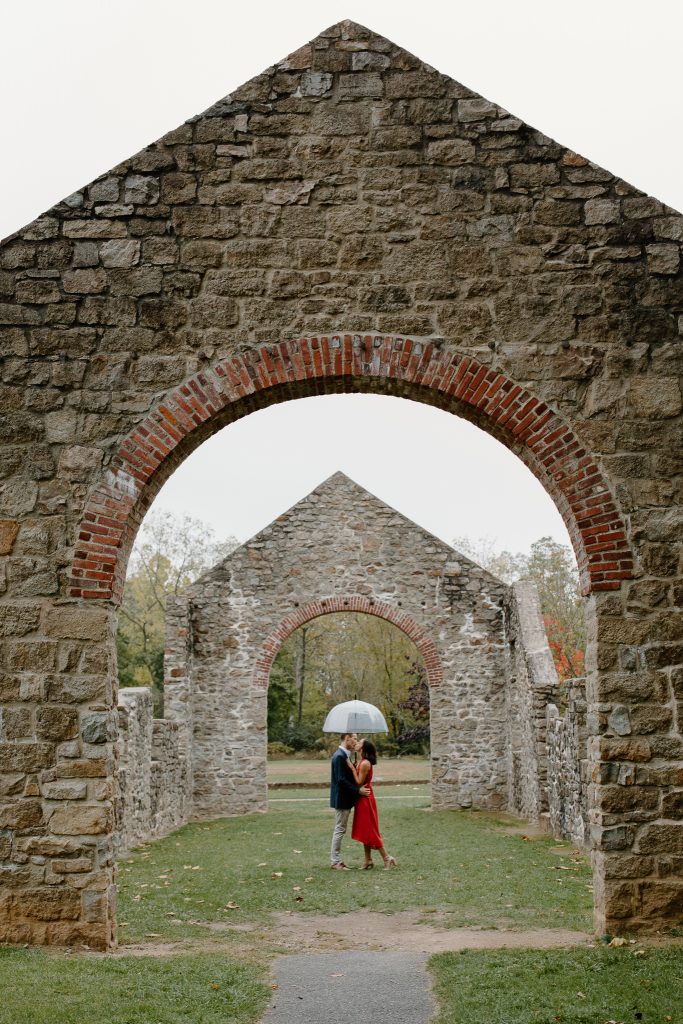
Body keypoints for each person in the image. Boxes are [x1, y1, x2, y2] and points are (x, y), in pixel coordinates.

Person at [351, 738, 397, 870]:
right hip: (362, 798)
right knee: (365, 829)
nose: (356, 743)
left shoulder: (365, 763)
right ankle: (368, 860)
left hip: (366, 799)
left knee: (370, 829)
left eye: (359, 742)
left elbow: (359, 782)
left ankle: (387, 858)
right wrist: (355, 767)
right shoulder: (362, 762)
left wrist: (352, 769)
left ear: (363, 748)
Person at [330, 733, 369, 870]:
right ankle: (335, 862)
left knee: (340, 829)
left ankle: (336, 860)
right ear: (347, 738)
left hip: (344, 798)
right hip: (341, 798)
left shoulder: (344, 755)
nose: (356, 741)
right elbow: (341, 780)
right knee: (340, 829)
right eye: (355, 738)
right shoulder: (340, 756)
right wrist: (358, 791)